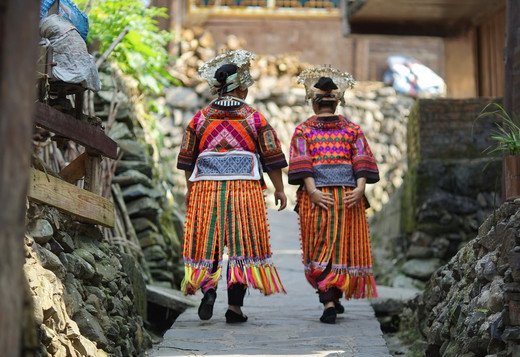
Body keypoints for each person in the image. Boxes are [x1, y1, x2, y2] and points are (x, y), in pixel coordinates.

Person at [177, 49, 288, 324]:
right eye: (246, 86)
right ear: (239, 87)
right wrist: (280, 188)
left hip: (206, 189)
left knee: (209, 242)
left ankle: (209, 291)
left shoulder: (200, 118)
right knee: (241, 245)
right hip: (244, 190)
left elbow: (187, 159)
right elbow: (272, 157)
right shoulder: (254, 118)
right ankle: (235, 309)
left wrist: (190, 189)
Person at [288, 66, 379, 324]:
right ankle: (333, 297)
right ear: (336, 102)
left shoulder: (304, 130)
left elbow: (302, 162)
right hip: (349, 197)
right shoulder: (353, 129)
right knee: (342, 246)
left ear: (315, 104)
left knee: (320, 246)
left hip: (316, 199)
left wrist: (313, 190)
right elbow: (362, 159)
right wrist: (360, 188)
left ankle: (329, 300)